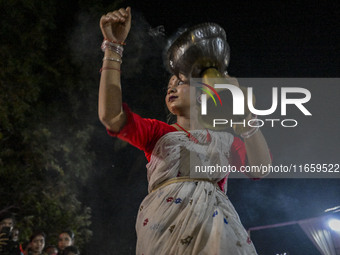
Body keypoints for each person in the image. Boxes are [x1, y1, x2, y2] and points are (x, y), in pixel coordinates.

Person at [98, 7, 272, 254]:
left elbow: (261, 168)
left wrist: (245, 117)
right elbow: (111, 116)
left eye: (180, 83)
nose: (171, 88)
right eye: (169, 85)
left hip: (217, 233)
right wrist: (113, 48)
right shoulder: (158, 133)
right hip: (164, 230)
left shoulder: (224, 141)